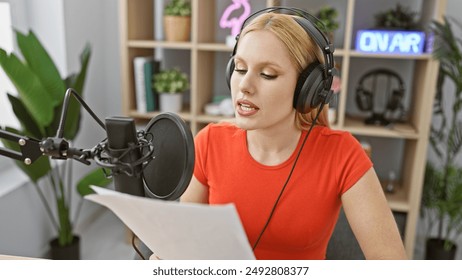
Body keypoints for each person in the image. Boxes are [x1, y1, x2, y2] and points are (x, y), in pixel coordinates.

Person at [180, 7, 407, 260]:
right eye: (241, 69)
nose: (244, 85)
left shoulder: (342, 155)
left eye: (267, 74)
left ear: (307, 89)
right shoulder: (210, 141)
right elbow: (185, 240)